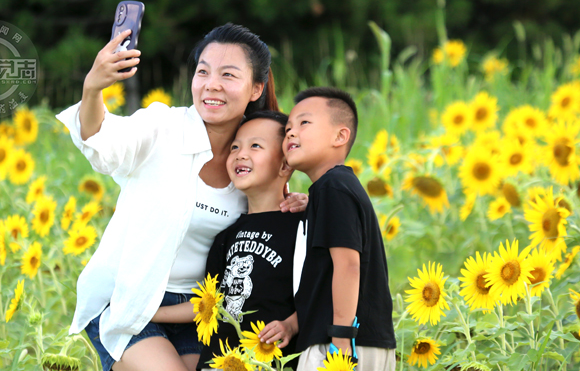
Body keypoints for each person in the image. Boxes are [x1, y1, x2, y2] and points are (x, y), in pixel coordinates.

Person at [55, 23, 306, 371]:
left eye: (228, 75)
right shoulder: (162, 127)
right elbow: (101, 141)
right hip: (126, 300)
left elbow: (272, 210)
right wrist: (93, 88)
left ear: (256, 88)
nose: (211, 84)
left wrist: (305, 203)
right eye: (203, 72)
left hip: (196, 311)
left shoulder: (251, 161)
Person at [152, 111, 301, 371]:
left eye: (255, 146)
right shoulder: (225, 236)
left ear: (285, 165)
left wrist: (292, 324)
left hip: (270, 359)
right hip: (221, 362)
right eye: (235, 147)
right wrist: (151, 314)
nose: (241, 154)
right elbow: (209, 302)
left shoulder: (302, 225)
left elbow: (322, 292)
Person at [283, 87, 397, 370]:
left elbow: (348, 266)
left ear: (340, 136)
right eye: (287, 128)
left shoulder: (334, 188)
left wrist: (342, 339)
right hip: (357, 341)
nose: (290, 133)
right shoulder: (332, 190)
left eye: (304, 123)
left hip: (341, 347)